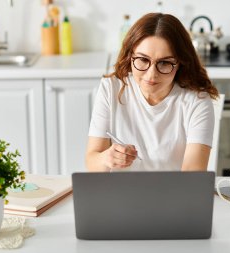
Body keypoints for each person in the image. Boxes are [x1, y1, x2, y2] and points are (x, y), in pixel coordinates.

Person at [86, 13, 219, 172]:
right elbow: (92, 162)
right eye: (143, 60)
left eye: (164, 63)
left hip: (173, 193)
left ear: (180, 63)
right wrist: (106, 158)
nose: (151, 75)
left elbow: (193, 176)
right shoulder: (111, 88)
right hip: (120, 192)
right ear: (130, 56)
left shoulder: (197, 101)